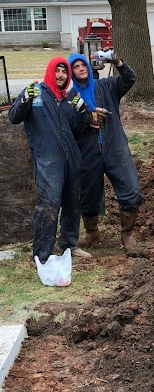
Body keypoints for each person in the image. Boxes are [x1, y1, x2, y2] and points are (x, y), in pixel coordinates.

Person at [8, 57, 92, 264]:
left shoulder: (71, 97)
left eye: (64, 72)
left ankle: (70, 245)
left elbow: (79, 130)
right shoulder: (36, 92)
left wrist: (83, 111)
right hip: (48, 158)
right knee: (49, 203)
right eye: (58, 71)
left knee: (72, 202)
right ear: (50, 72)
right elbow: (14, 117)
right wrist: (23, 99)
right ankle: (41, 254)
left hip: (71, 156)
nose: (61, 75)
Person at [68, 51, 144, 255]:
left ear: (88, 67)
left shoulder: (106, 86)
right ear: (71, 72)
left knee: (130, 189)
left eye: (83, 65)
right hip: (87, 151)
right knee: (88, 195)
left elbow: (130, 79)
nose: (81, 69)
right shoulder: (70, 97)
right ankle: (92, 232)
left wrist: (118, 61)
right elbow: (68, 126)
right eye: (75, 67)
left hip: (115, 146)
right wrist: (87, 120)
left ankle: (127, 235)